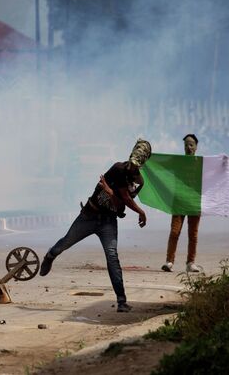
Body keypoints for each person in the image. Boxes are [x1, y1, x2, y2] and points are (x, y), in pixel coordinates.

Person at [39, 139, 152, 313]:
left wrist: (110, 192)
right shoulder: (118, 169)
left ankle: (121, 301)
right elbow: (123, 199)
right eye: (132, 162)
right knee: (67, 241)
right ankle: (50, 255)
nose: (132, 167)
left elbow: (122, 205)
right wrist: (138, 210)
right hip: (89, 215)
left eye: (136, 165)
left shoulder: (139, 181)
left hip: (108, 221)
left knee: (112, 257)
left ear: (142, 164)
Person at [162, 134, 202, 273]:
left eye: (191, 144)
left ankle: (191, 263)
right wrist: (148, 160)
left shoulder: (201, 163)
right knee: (174, 232)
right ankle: (169, 262)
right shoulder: (178, 162)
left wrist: (223, 163)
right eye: (186, 145)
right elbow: (162, 165)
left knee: (193, 235)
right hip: (179, 201)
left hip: (194, 202)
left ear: (196, 147)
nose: (188, 147)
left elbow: (214, 172)